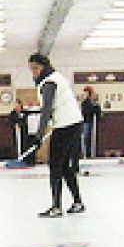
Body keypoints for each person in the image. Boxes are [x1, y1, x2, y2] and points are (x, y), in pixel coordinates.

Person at [27, 53, 84, 217]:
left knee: (55, 165)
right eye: (31, 69)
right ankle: (78, 202)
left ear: (43, 67)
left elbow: (46, 110)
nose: (34, 72)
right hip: (73, 123)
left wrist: (39, 135)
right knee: (65, 166)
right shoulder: (56, 77)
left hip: (66, 125)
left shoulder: (49, 82)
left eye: (36, 68)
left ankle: (56, 207)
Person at [80, 87, 102, 158]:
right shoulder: (85, 102)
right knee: (86, 138)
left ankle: (91, 153)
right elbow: (86, 111)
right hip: (86, 121)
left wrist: (95, 105)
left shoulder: (94, 102)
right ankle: (86, 153)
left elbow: (97, 112)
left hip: (91, 122)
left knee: (91, 138)